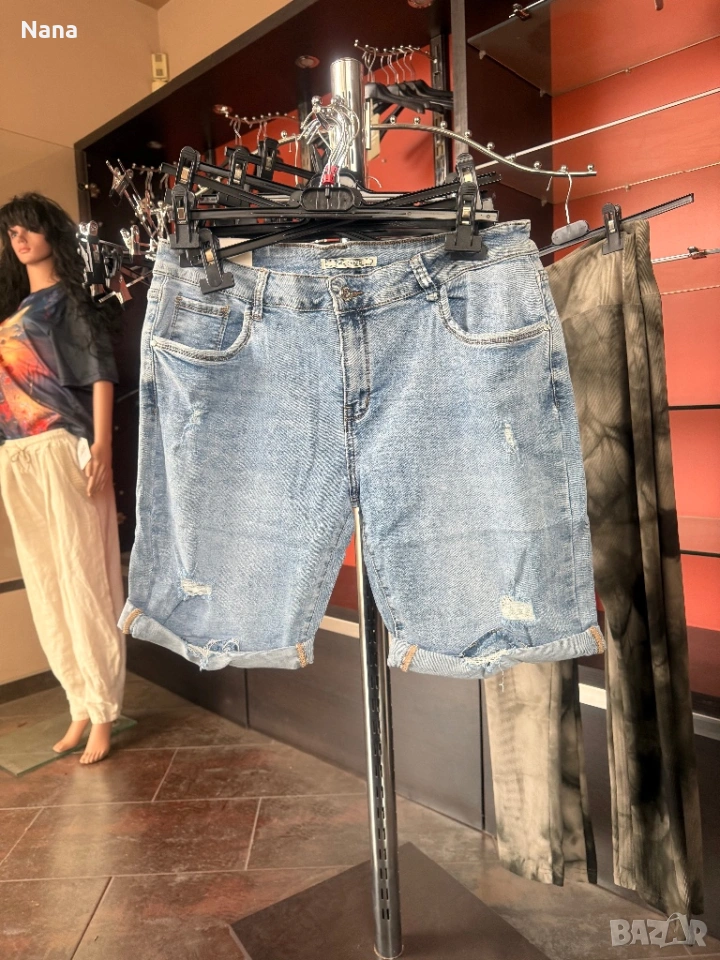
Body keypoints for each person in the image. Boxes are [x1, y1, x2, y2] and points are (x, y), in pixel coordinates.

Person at [0, 192, 126, 764]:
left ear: (51, 232)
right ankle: (78, 701)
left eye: (28, 228)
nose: (20, 239)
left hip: (60, 447)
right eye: (12, 233)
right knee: (47, 585)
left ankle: (103, 709)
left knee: (84, 581)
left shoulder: (66, 302)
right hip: (17, 455)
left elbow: (101, 373)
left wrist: (101, 445)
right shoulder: (15, 310)